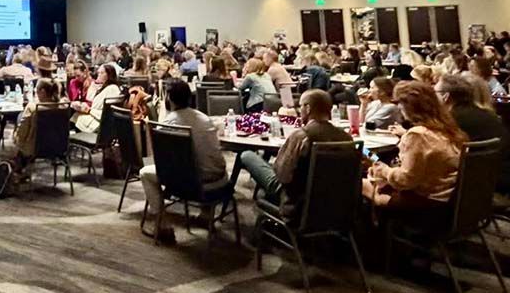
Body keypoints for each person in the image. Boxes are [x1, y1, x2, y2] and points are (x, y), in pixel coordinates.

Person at [240, 89, 352, 218]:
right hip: (336, 207)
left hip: (297, 206)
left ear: (308, 108)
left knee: (247, 155)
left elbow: (282, 176)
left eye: (300, 106)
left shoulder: (301, 136)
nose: (299, 110)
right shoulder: (347, 138)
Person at [139, 80, 227, 243]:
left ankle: (163, 226)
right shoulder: (204, 118)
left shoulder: (169, 123)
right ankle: (206, 215)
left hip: (193, 185)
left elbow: (162, 162)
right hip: (220, 181)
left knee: (145, 173)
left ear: (169, 99)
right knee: (206, 160)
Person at [363, 81, 465, 209]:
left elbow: (405, 180)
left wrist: (384, 171)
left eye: (400, 103)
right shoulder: (448, 129)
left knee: (360, 183)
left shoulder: (418, 135)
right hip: (446, 198)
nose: (399, 107)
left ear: (409, 107)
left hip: (425, 202)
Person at [436, 74, 510, 193]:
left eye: (435, 92)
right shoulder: (483, 113)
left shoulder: (454, 118)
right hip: (497, 175)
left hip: (484, 183)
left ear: (446, 96)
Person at [12, 78, 62, 167]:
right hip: (57, 147)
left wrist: (15, 137)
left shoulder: (32, 107)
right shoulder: (62, 106)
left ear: (42, 92)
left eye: (36, 90)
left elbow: (22, 132)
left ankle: (18, 167)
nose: (35, 92)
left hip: (34, 148)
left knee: (19, 131)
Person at [71, 64, 122, 133]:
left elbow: (108, 113)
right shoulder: (102, 87)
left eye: (102, 73)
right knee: (73, 114)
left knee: (72, 117)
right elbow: (90, 99)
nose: (99, 75)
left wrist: (89, 110)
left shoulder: (113, 89)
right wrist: (93, 87)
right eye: (98, 73)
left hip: (99, 123)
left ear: (109, 75)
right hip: (94, 117)